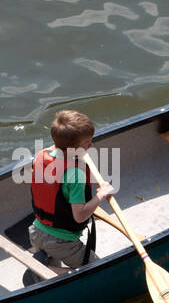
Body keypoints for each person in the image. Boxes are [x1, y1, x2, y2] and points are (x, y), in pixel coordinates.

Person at [27, 110, 115, 269]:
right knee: (97, 269)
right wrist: (101, 195)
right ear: (71, 148)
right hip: (60, 242)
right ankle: (46, 272)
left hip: (36, 232)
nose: (91, 145)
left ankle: (46, 257)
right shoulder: (75, 174)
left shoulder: (41, 155)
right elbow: (80, 216)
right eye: (87, 143)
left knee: (55, 250)